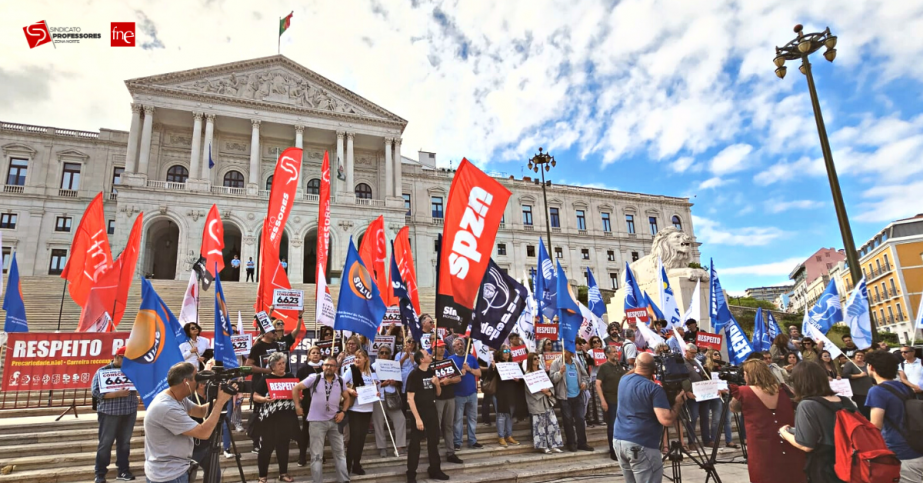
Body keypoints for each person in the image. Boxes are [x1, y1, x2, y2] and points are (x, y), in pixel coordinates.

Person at [143, 362, 234, 483]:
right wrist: (221, 402)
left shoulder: (176, 397)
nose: (198, 381)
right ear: (186, 381)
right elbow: (204, 432)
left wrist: (219, 398)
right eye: (196, 377)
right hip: (168, 476)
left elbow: (201, 411)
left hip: (173, 470)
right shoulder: (167, 407)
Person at [779, 360, 857, 483]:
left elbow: (806, 445)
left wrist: (784, 433)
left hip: (826, 466)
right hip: (851, 462)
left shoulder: (807, 405)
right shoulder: (844, 400)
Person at [613, 352, 686, 483]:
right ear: (655, 369)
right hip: (641, 444)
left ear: (635, 365)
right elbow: (666, 420)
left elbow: (632, 371)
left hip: (619, 441)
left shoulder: (623, 380)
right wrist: (678, 403)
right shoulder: (654, 389)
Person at [729, 360, 805, 483]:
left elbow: (733, 408)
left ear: (748, 374)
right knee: (792, 474)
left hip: (761, 445)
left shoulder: (743, 391)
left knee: (764, 475)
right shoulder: (783, 389)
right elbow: (798, 402)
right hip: (788, 439)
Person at [864, 350, 923, 483]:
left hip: (901, 452)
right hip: (917, 445)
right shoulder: (904, 387)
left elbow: (875, 426)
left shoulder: (877, 391)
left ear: (871, 367)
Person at [292, 357, 351, 483]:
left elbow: (347, 398)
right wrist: (297, 406)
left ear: (336, 368)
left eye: (332, 365)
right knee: (317, 456)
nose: (329, 367)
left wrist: (343, 412)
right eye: (326, 365)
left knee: (340, 453)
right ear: (322, 366)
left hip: (335, 421)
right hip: (316, 422)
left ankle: (344, 480)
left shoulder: (340, 380)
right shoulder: (315, 377)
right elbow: (296, 388)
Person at [91, 347, 138, 483]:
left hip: (129, 411)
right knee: (105, 443)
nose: (128, 361)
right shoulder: (103, 371)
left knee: (124, 443)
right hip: (109, 412)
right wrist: (116, 394)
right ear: (117, 356)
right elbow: (95, 392)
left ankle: (123, 470)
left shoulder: (132, 371)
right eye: (125, 358)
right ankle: (100, 474)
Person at [251, 352, 298, 483]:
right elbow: (255, 396)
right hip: (269, 420)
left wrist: (298, 398)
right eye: (279, 364)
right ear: (272, 366)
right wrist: (264, 399)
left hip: (286, 419)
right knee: (266, 448)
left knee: (283, 447)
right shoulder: (265, 379)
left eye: (283, 363)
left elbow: (296, 393)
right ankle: (262, 477)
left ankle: (283, 473)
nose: (282, 366)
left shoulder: (290, 377)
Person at [406, 350, 450, 482]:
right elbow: (410, 399)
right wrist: (418, 419)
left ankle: (435, 470)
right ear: (421, 360)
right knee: (415, 445)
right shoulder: (414, 375)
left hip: (431, 410)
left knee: (434, 442)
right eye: (427, 354)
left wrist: (437, 384)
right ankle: (411, 474)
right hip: (418, 412)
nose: (430, 355)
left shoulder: (432, 372)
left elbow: (438, 394)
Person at [342, 348, 379, 474]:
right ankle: (347, 465)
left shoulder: (372, 372)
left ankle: (356, 464)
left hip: (368, 409)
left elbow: (375, 387)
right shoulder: (351, 370)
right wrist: (350, 391)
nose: (357, 360)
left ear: (366, 359)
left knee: (362, 438)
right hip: (355, 409)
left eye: (359, 357)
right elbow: (340, 383)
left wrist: (377, 392)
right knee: (354, 438)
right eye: (355, 357)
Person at [550, 350, 592, 452]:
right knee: (568, 420)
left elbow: (585, 376)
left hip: (577, 395)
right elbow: (552, 379)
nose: (565, 354)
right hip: (564, 397)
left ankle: (582, 443)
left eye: (568, 352)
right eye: (565, 351)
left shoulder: (576, 363)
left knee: (580, 419)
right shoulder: (556, 363)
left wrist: (584, 384)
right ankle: (571, 443)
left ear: (572, 354)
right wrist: (560, 372)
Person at [371, 345, 407, 457]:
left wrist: (394, 383)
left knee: (401, 419)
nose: (384, 355)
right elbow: (370, 383)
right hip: (379, 397)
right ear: (378, 354)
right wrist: (383, 384)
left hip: (392, 396)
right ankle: (382, 447)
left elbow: (400, 382)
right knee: (379, 423)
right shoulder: (373, 366)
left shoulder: (393, 366)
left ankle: (400, 446)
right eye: (382, 352)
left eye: (386, 353)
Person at [524, 352, 564, 454]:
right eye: (534, 359)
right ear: (530, 361)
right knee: (540, 426)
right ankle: (543, 446)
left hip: (546, 402)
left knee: (552, 423)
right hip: (537, 403)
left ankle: (554, 445)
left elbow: (549, 384)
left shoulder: (542, 372)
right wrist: (543, 391)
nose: (537, 360)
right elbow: (530, 390)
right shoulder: (528, 374)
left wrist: (549, 392)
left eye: (538, 358)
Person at [432, 340, 464, 463]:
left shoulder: (449, 362)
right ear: (433, 348)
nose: (442, 349)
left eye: (443, 347)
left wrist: (448, 381)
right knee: (437, 426)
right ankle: (434, 452)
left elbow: (458, 378)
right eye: (439, 347)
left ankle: (451, 453)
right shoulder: (431, 363)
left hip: (450, 397)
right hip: (437, 398)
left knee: (449, 426)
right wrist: (439, 383)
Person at [449, 337, 483, 450]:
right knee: (457, 420)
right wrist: (459, 373)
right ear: (453, 347)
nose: (460, 346)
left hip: (472, 394)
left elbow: (479, 372)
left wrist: (469, 369)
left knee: (472, 418)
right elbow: (448, 376)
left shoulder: (471, 358)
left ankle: (472, 441)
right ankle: (457, 442)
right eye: (457, 344)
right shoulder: (450, 359)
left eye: (461, 344)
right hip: (458, 394)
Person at [485, 345, 523, 448]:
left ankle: (509, 435)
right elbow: (488, 378)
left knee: (509, 415)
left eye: (509, 351)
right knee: (501, 415)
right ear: (500, 353)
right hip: (499, 393)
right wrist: (492, 368)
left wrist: (518, 380)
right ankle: (501, 436)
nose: (507, 352)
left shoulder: (514, 365)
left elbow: (521, 379)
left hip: (511, 393)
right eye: (505, 351)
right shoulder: (496, 364)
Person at [295, 346, 323, 467]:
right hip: (308, 403)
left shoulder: (325, 368)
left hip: (322, 404)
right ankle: (302, 456)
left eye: (318, 353)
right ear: (309, 356)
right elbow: (297, 388)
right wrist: (298, 404)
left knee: (321, 431)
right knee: (306, 430)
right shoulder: (303, 370)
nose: (316, 354)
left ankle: (319, 455)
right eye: (313, 353)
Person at [595, 344, 624, 460]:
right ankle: (613, 450)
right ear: (607, 354)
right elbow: (597, 384)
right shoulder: (604, 367)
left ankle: (621, 448)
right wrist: (603, 401)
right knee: (612, 426)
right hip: (610, 400)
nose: (616, 353)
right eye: (613, 352)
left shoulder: (620, 366)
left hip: (622, 400)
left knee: (622, 426)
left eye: (616, 351)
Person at [681, 343, 712, 446]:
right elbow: (682, 379)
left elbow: (701, 374)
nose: (694, 355)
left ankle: (706, 440)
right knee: (693, 417)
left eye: (695, 353)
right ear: (686, 351)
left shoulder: (696, 362)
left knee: (705, 417)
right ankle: (691, 441)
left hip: (702, 393)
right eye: (692, 353)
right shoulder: (682, 363)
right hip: (692, 394)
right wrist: (687, 391)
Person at [839, 349, 872, 419]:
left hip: (868, 390)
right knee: (863, 410)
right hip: (857, 391)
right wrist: (859, 375)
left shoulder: (867, 364)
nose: (860, 357)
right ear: (854, 356)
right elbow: (845, 375)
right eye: (858, 355)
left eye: (862, 355)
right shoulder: (850, 364)